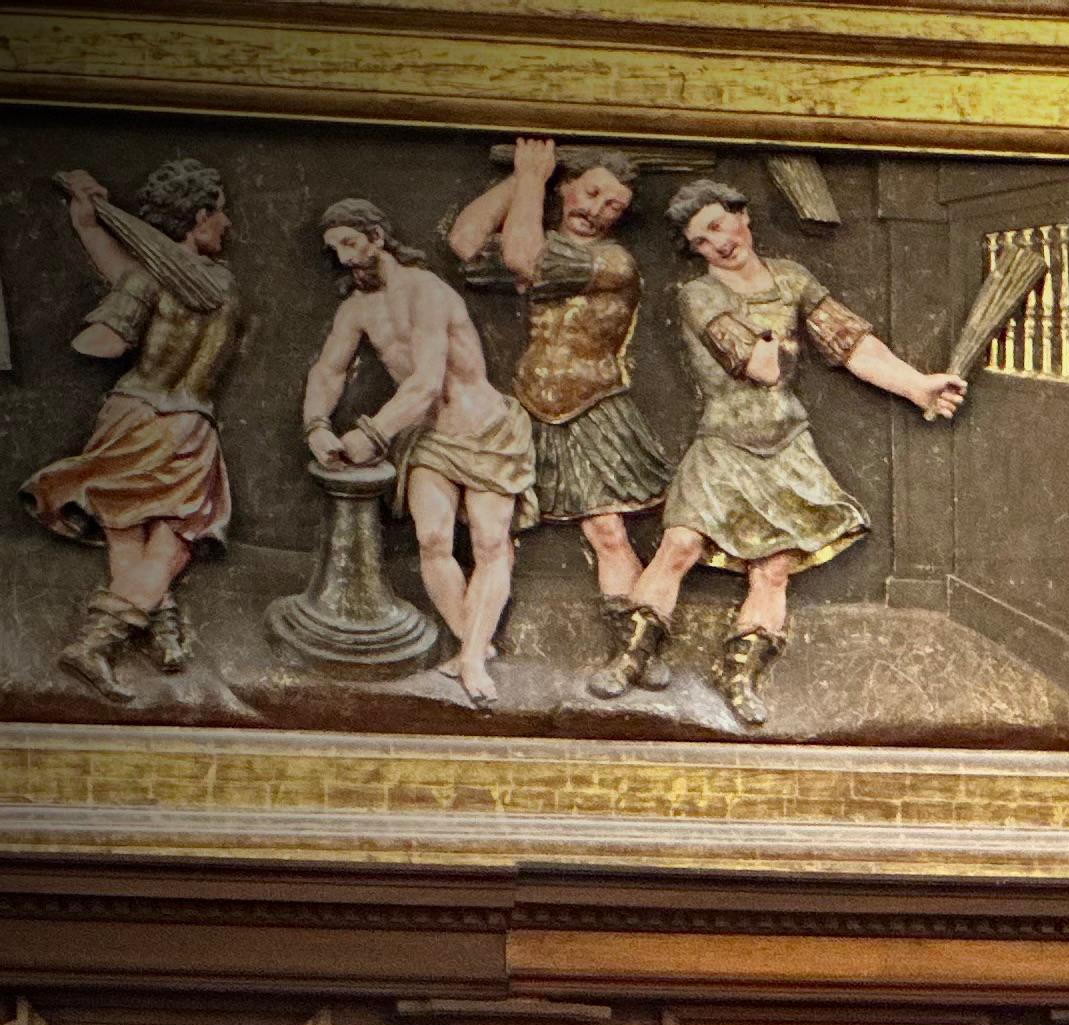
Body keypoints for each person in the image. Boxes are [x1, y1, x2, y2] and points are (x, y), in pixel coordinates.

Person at [597, 177, 965, 725]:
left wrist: (915, 385)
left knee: (773, 571)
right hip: (724, 442)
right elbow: (758, 367)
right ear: (694, 251)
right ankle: (631, 656)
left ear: (744, 216)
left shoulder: (792, 279)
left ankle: (739, 673)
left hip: (787, 443)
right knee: (678, 545)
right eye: (703, 239)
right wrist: (773, 349)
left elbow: (850, 343)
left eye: (722, 224)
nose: (720, 242)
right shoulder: (699, 295)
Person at [301, 198, 535, 710]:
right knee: (433, 540)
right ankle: (473, 646)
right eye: (334, 251)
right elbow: (329, 371)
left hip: (486, 430)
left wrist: (371, 433)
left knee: (491, 543)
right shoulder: (357, 309)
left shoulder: (427, 293)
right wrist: (316, 423)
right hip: (428, 437)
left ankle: (470, 657)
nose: (343, 260)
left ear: (377, 238)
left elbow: (427, 382)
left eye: (349, 244)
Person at [25, 159, 243, 704]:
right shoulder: (221, 286)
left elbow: (109, 332)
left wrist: (88, 228)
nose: (228, 224)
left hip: (127, 414)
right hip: (183, 427)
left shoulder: (150, 280)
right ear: (198, 217)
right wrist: (90, 223)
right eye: (221, 213)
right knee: (170, 548)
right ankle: (95, 645)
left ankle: (156, 625)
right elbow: (123, 304)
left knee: (127, 531)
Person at [445, 140, 677, 631]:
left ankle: (633, 646)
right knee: (494, 526)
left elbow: (524, 257)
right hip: (528, 405)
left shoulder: (613, 263)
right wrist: (526, 176)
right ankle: (476, 642)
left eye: (613, 205)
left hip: (591, 408)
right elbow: (465, 240)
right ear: (565, 187)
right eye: (590, 192)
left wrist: (532, 179)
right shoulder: (540, 238)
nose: (596, 211)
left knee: (607, 531)